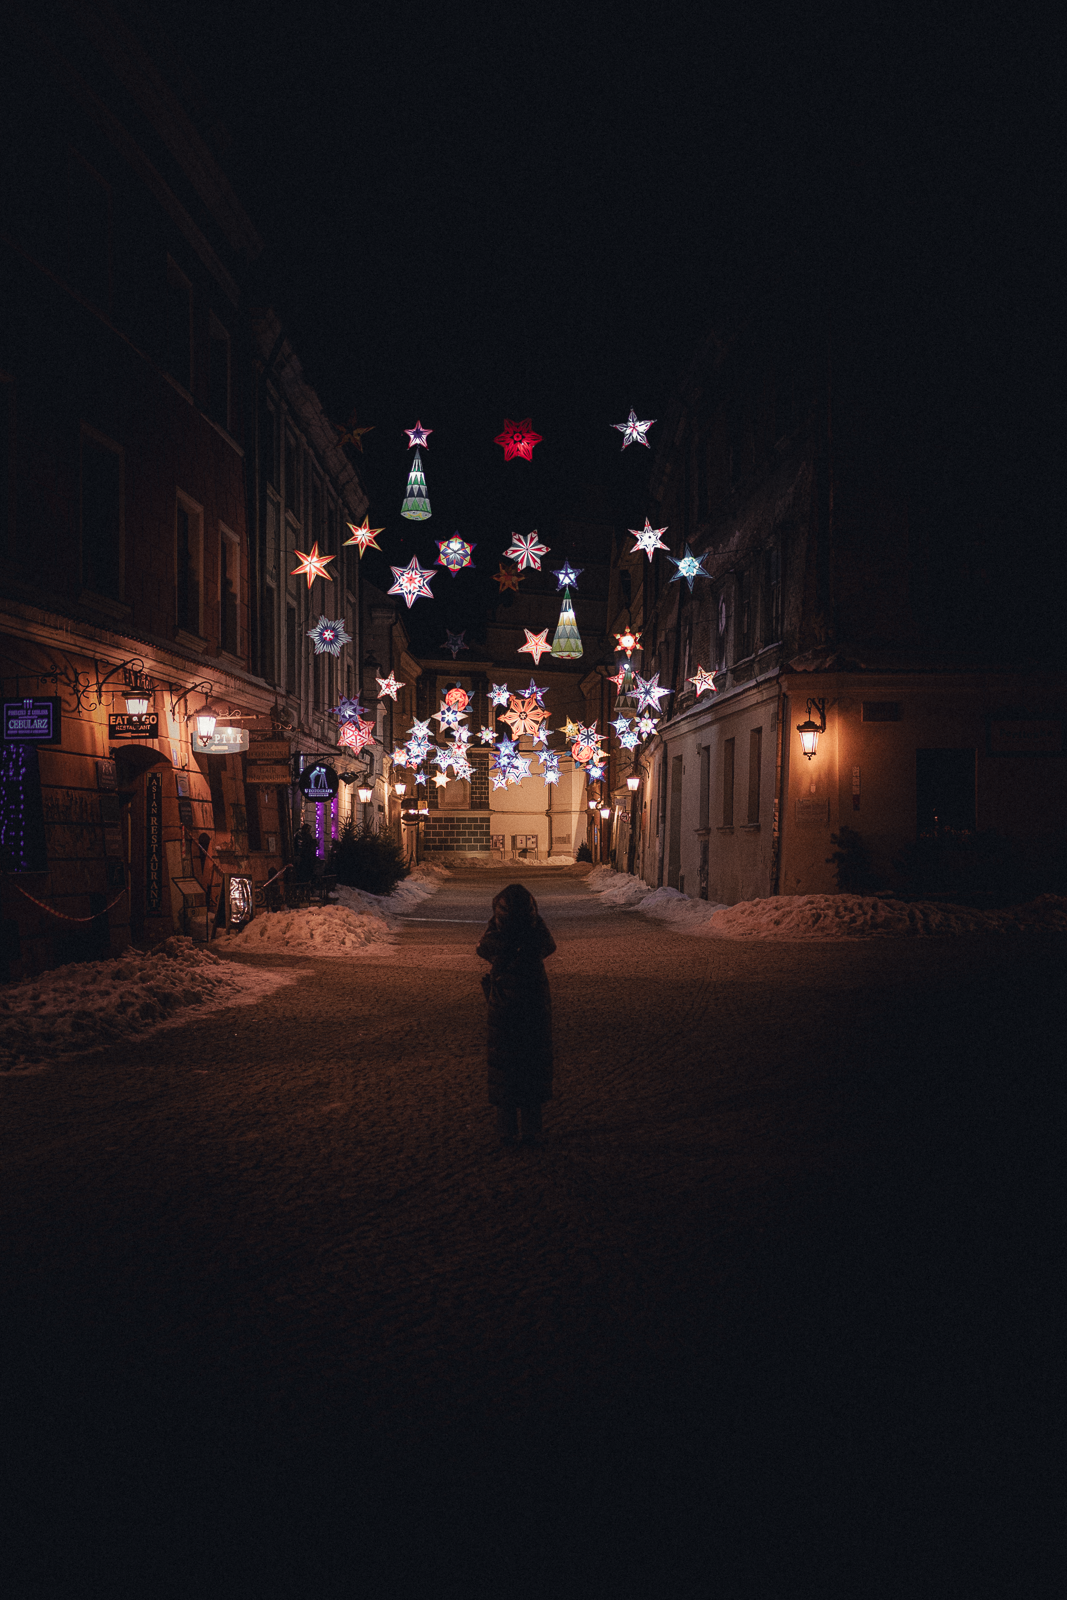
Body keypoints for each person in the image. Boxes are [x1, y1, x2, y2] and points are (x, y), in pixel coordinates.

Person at [476, 883, 557, 1145]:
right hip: (534, 1007)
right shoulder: (535, 940)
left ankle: (507, 1130)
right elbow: (549, 944)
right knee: (532, 1066)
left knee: (505, 1068)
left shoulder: (499, 943)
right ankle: (532, 1129)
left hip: (503, 1009)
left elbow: (484, 947)